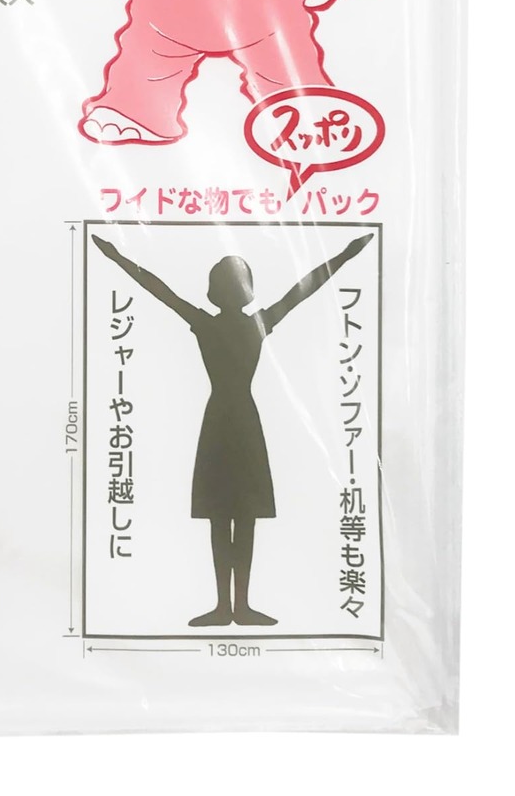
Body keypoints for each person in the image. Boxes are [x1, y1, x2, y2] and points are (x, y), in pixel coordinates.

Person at [91, 231, 373, 627]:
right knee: (239, 517)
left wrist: (116, 257)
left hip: (220, 421)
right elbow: (302, 290)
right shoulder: (258, 323)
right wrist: (345, 254)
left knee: (223, 517)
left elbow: (159, 289)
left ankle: (229, 606)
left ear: (213, 291)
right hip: (242, 420)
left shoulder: (206, 324)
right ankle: (236, 606)